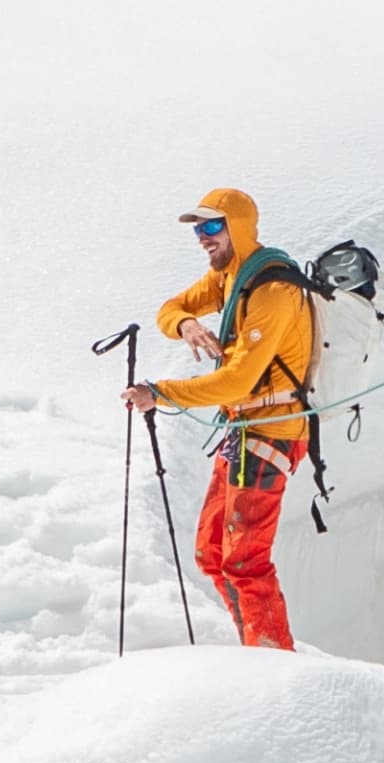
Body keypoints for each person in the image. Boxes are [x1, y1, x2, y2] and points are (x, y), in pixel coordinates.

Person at [126, 186, 312, 649]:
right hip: (243, 433)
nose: (203, 238)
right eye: (198, 229)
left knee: (244, 561)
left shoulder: (272, 291)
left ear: (239, 227)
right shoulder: (230, 277)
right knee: (212, 551)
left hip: (272, 432)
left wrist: (160, 393)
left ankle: (275, 666)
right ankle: (256, 647)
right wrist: (187, 324)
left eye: (212, 227)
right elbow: (169, 310)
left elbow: (236, 383)